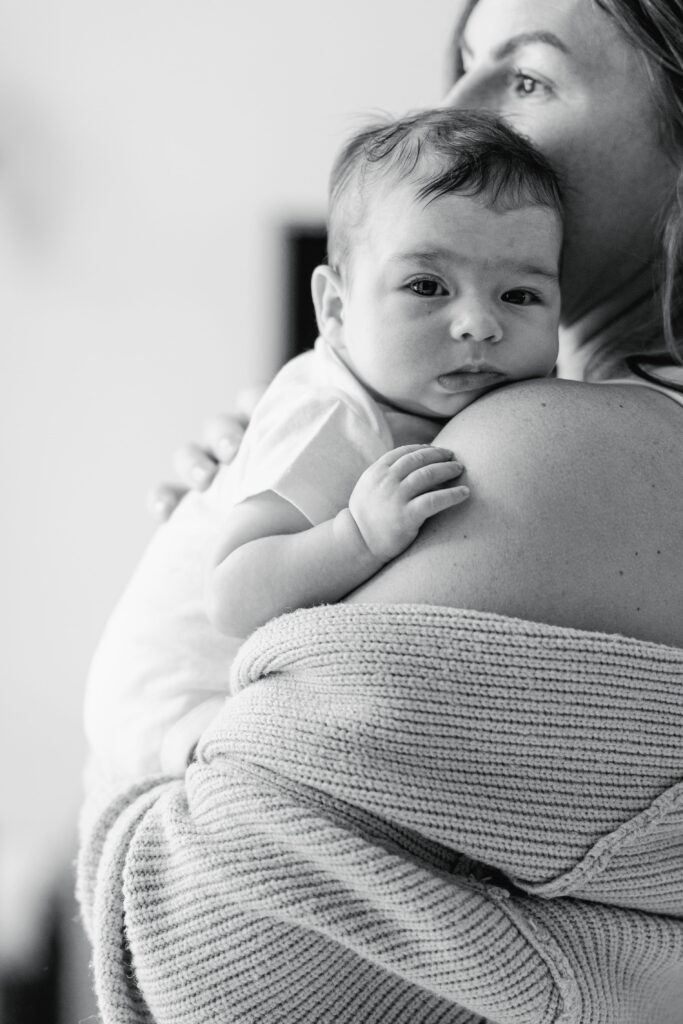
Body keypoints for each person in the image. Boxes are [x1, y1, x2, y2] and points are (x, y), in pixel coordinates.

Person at [79, 1, 683, 1021]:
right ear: (334, 303)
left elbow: (209, 944)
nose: (452, 104)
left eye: (526, 76)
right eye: (460, 62)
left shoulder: (555, 446)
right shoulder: (477, 423)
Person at [84, 108, 563, 778]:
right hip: (177, 704)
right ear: (335, 308)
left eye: (520, 295)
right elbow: (235, 594)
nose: (479, 323)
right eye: (427, 286)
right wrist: (357, 537)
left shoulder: (425, 402)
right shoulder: (332, 416)